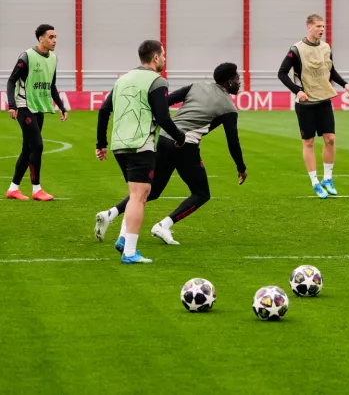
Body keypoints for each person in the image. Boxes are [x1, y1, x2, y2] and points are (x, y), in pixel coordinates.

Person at [94, 62, 247, 248]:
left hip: (165, 139)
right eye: (237, 78)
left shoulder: (196, 86)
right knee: (201, 193)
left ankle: (110, 214)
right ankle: (163, 225)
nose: (240, 82)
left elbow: (167, 101)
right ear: (229, 81)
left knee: (152, 190)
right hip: (185, 144)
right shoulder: (228, 107)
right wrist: (241, 167)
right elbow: (233, 141)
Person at [95, 40, 186, 264]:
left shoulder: (122, 79)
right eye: (163, 55)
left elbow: (104, 109)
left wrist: (101, 143)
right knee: (139, 196)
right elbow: (163, 117)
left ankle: (124, 239)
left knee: (139, 195)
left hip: (119, 145)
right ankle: (129, 253)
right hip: (140, 144)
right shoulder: (157, 81)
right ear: (155, 58)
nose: (164, 59)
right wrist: (179, 136)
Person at [277, 14, 349, 199]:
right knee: (309, 142)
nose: (322, 29)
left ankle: (328, 178)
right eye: (318, 26)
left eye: (323, 26)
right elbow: (281, 73)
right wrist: (297, 91)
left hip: (324, 100)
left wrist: (345, 84)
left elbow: (331, 70)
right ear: (309, 27)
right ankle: (315, 181)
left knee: (330, 139)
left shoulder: (326, 47)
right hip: (305, 104)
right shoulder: (296, 49)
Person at [6, 24, 67, 202]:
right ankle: (36, 189)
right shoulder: (27, 57)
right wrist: (12, 105)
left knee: (28, 148)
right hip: (24, 106)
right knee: (38, 146)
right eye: (51, 37)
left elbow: (52, 85)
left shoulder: (53, 58)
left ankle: (13, 189)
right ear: (41, 39)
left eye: (56, 37)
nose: (54, 40)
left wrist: (61, 106)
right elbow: (12, 81)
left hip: (39, 106)